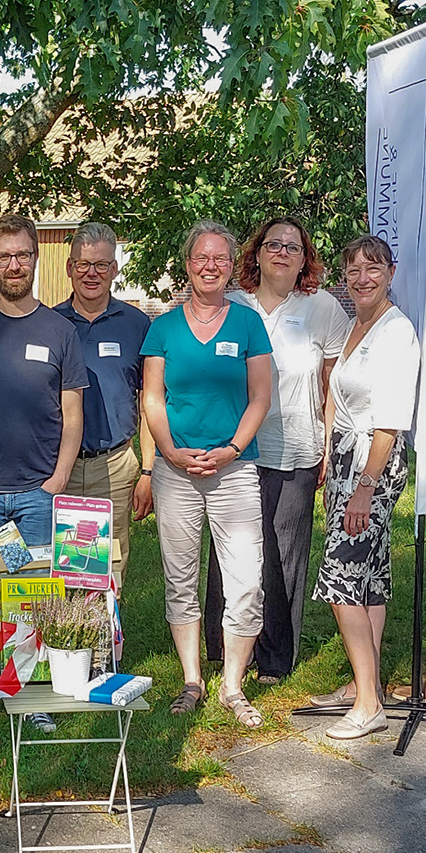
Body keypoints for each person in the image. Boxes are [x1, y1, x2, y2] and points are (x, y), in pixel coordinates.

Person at [0, 213, 86, 733]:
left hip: (36, 493)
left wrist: (57, 479)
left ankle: (31, 691)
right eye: (3, 257)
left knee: (34, 597)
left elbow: (72, 414)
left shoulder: (59, 330)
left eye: (22, 255)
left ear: (35, 258)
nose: (13, 265)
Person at [204, 217, 351, 682]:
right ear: (257, 253)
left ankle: (273, 656)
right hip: (235, 449)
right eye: (274, 244)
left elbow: (333, 383)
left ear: (305, 258)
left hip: (296, 448)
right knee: (231, 550)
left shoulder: (322, 307)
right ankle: (226, 649)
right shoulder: (232, 304)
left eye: (293, 246)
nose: (283, 252)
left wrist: (329, 442)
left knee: (283, 552)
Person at [141, 220, 272, 729]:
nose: (210, 265)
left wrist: (233, 448)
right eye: (201, 257)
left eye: (220, 257)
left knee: (245, 578)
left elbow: (260, 395)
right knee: (181, 578)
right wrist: (169, 452)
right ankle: (193, 680)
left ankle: (233, 686)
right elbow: (152, 397)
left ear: (231, 264)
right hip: (176, 471)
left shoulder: (247, 324)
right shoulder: (163, 329)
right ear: (188, 264)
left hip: (234, 468)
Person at [313, 236, 419, 739]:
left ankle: (370, 705)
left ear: (391, 273)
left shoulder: (396, 332)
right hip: (346, 458)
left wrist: (364, 487)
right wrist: (332, 460)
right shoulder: (358, 323)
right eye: (352, 270)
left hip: (374, 462)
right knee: (368, 576)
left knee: (340, 574)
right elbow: (340, 397)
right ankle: (365, 683)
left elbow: (391, 420)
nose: (362, 278)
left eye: (372, 268)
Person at [55, 222, 154, 582]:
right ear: (69, 267)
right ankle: (59, 637)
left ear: (114, 269)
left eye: (101, 265)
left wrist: (147, 471)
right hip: (56, 466)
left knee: (105, 572)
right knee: (58, 569)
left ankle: (103, 641)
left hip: (113, 467)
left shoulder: (137, 324)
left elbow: (149, 402)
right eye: (83, 264)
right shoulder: (50, 323)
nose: (91, 273)